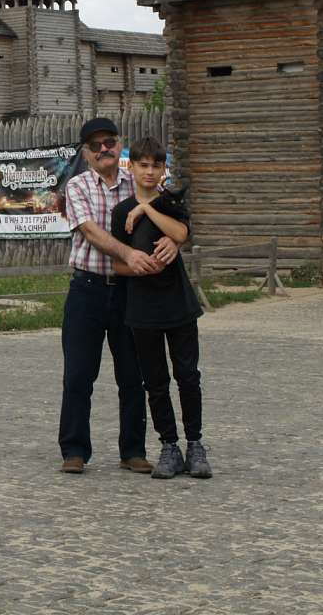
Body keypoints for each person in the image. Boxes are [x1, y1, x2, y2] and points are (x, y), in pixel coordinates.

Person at [58, 117, 179, 475]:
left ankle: (133, 450)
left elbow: (172, 214)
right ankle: (74, 450)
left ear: (119, 144)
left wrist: (174, 239)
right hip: (88, 288)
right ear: (86, 153)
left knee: (133, 374)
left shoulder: (139, 182)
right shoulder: (76, 186)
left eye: (109, 142)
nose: (103, 150)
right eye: (95, 146)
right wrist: (129, 254)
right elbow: (90, 232)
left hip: (130, 290)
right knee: (79, 374)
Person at [111, 137, 211, 480]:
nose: (150, 171)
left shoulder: (170, 201)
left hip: (178, 303)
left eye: (156, 165)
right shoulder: (121, 212)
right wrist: (138, 265)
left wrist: (147, 209)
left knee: (188, 376)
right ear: (132, 167)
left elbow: (181, 232)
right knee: (155, 381)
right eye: (143, 165)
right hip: (142, 307)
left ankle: (195, 444)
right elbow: (117, 264)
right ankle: (169, 446)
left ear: (163, 169)